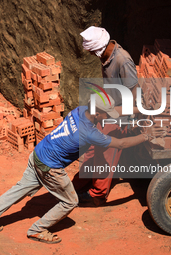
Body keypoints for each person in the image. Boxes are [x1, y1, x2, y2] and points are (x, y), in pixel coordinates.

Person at [0, 94, 154, 244]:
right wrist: (146, 136)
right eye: (106, 114)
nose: (109, 116)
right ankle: (38, 229)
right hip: (50, 167)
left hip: (38, 154)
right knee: (70, 201)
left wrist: (142, 109)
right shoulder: (89, 132)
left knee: (16, 191)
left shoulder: (81, 110)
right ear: (98, 113)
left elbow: (115, 113)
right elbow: (121, 144)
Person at [72, 26, 139, 206]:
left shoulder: (122, 60)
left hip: (118, 114)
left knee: (104, 154)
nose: (93, 55)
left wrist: (128, 118)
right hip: (107, 109)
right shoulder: (107, 58)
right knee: (92, 149)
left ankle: (97, 195)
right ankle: (79, 184)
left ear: (101, 47)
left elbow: (134, 92)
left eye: (94, 51)